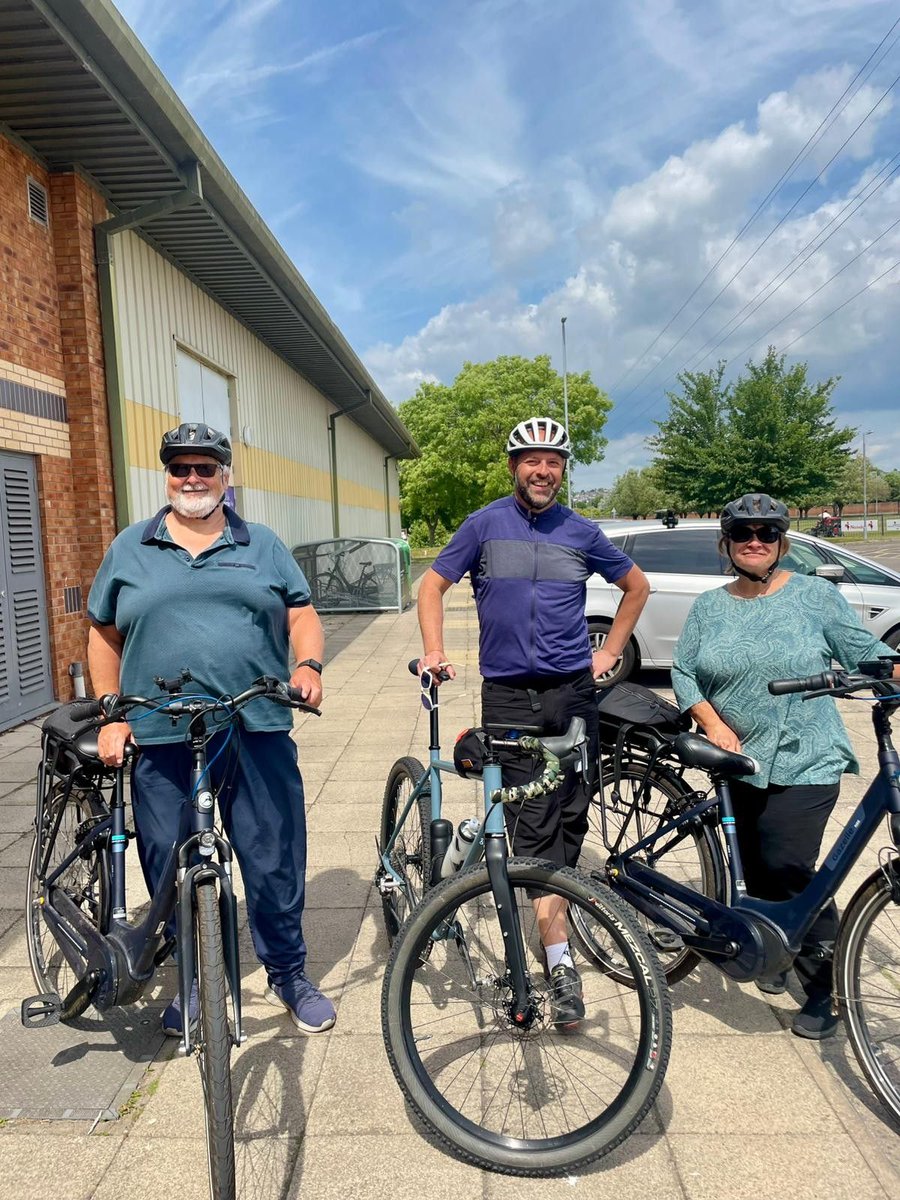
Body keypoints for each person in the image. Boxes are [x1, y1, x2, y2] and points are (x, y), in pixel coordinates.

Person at [86, 422, 335, 1035]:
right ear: (166, 476)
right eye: (180, 468)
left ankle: (288, 972)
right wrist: (112, 713)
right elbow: (102, 634)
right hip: (160, 729)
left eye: (205, 468)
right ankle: (194, 983)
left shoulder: (264, 544)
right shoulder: (129, 547)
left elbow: (302, 614)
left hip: (254, 722)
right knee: (168, 864)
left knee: (273, 854)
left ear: (226, 478)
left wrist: (307, 664)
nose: (192, 479)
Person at [417, 416, 650, 1026]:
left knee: (570, 818)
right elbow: (431, 586)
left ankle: (552, 918)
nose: (543, 470)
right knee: (535, 825)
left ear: (563, 470)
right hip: (510, 697)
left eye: (554, 461)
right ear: (514, 466)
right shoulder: (483, 526)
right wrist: (436, 651)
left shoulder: (581, 530)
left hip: (572, 694)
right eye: (531, 460)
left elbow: (636, 586)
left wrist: (608, 653)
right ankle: (559, 960)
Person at [672, 492, 900, 1039]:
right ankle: (776, 949)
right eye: (744, 533)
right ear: (726, 544)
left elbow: (864, 653)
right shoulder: (708, 607)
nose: (756, 541)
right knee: (755, 868)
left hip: (806, 755)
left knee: (792, 870)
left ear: (783, 543)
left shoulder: (816, 596)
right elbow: (684, 672)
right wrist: (711, 720)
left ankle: (826, 988)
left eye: (767, 533)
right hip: (736, 758)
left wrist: (892, 671)